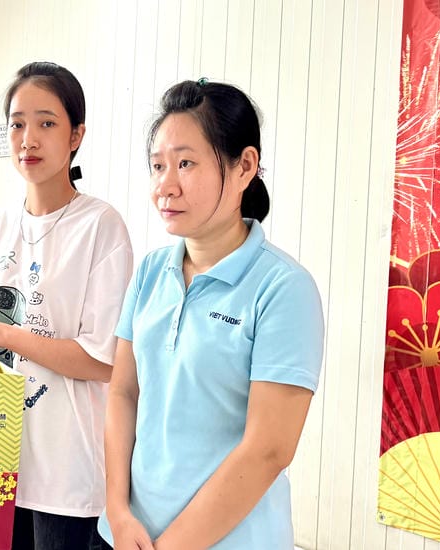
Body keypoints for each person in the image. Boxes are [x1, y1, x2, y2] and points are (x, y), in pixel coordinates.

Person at [98, 79, 325, 549]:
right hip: (131, 535)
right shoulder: (151, 272)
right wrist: (118, 511)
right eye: (158, 166)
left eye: (185, 163)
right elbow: (123, 392)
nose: (166, 185)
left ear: (245, 166)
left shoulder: (283, 288)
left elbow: (267, 451)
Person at [0, 62, 133, 550]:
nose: (29, 139)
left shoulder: (101, 226)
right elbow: (1, 342)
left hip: (69, 473)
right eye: (18, 124)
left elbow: (102, 361)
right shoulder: (0, 225)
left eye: (47, 123)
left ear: (76, 135)